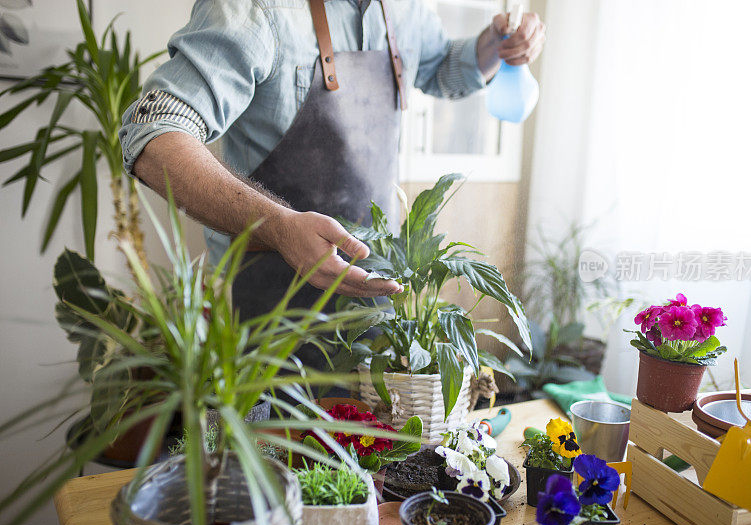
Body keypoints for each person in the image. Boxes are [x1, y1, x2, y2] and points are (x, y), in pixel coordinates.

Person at [120, 0, 545, 373]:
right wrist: (281, 226)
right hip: (264, 317)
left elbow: (444, 68)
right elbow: (152, 132)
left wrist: (495, 45)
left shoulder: (405, 9)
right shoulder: (256, 8)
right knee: (267, 457)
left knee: (367, 457)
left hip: (373, 307)